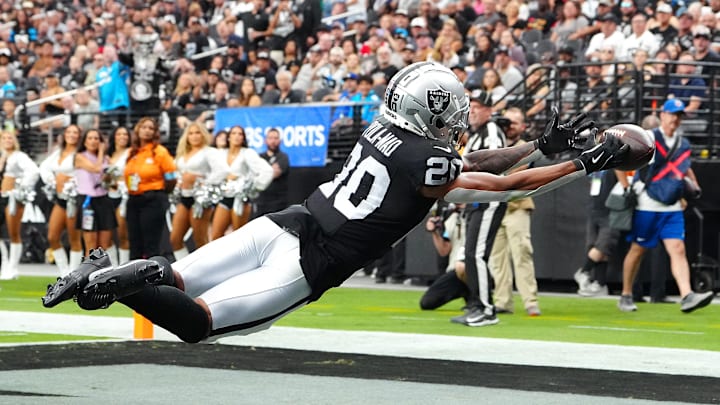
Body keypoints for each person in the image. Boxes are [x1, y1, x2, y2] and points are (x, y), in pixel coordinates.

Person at [43, 62, 627, 344]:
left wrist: (535, 146)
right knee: (200, 323)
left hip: (286, 222)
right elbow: (503, 186)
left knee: (177, 277)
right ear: (432, 110)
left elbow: (476, 165)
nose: (457, 117)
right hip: (310, 260)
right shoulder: (430, 158)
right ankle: (125, 280)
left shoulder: (387, 130)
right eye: (450, 108)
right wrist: (584, 161)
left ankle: (112, 276)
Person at [616, 99, 715, 313]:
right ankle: (625, 293)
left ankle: (687, 295)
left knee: (678, 249)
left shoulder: (683, 143)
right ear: (662, 115)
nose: (676, 119)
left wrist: (693, 184)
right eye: (672, 114)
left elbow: (684, 168)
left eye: (679, 115)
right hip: (647, 204)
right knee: (638, 250)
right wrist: (627, 188)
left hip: (671, 205)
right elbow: (620, 157)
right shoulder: (649, 137)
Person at [450, 89, 507, 327]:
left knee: (477, 255)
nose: (473, 110)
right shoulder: (473, 135)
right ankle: (476, 304)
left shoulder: (491, 131)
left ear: (490, 110)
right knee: (471, 255)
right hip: (477, 200)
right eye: (471, 106)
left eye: (478, 106)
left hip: (489, 199)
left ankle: (485, 308)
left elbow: (493, 163)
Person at [488, 108, 541, 316]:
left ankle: (530, 301)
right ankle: (502, 301)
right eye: (507, 122)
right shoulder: (495, 143)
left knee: (522, 253)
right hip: (495, 206)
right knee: (497, 258)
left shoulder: (524, 147)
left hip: (516, 206)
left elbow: (514, 174)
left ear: (523, 127)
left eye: (515, 123)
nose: (510, 126)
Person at [170, 123, 227, 261]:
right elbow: (176, 172)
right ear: (186, 136)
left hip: (201, 199)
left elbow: (223, 171)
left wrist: (204, 182)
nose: (194, 136)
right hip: (184, 196)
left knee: (200, 240)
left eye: (197, 133)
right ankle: (183, 269)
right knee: (175, 239)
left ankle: (208, 271)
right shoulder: (182, 153)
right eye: (191, 133)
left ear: (203, 134)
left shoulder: (210, 152)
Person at [123, 117, 177, 260]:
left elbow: (171, 178)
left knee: (151, 243)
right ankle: (132, 277)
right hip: (134, 198)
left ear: (155, 132)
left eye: (151, 128)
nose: (147, 131)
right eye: (144, 127)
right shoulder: (132, 152)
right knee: (134, 242)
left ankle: (153, 278)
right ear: (138, 130)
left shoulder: (160, 152)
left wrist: (161, 193)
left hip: (153, 199)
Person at [210, 126, 273, 240]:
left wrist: (250, 186)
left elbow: (267, 171)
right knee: (215, 237)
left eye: (240, 134)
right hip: (225, 198)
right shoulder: (221, 153)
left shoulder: (247, 153)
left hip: (240, 200)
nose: (237, 136)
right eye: (234, 133)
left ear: (243, 138)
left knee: (238, 239)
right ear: (228, 137)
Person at [39, 125, 84, 277]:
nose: (72, 135)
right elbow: (43, 167)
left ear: (79, 136)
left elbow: (87, 174)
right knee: (52, 237)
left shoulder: (81, 153)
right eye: (69, 132)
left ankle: (74, 275)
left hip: (74, 199)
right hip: (60, 199)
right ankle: (64, 273)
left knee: (74, 239)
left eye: (75, 132)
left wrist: (72, 180)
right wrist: (53, 180)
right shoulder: (58, 152)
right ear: (64, 135)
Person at [573, 167, 620, 297]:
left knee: (603, 245)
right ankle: (600, 284)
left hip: (610, 210)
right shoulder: (596, 161)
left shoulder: (616, 161)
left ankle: (583, 271)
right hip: (594, 208)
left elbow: (623, 180)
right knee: (594, 246)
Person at [0, 131, 39, 280]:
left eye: (10, 137)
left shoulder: (19, 156)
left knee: (13, 232)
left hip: (13, 198)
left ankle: (13, 268)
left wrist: (20, 187)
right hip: (1, 196)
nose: (7, 140)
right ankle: (4, 264)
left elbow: (33, 171)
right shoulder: (2, 156)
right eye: (4, 138)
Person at [73, 129, 117, 257]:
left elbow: (113, 179)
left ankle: (102, 273)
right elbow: (96, 169)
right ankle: (88, 274)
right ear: (85, 141)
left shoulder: (106, 159)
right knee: (90, 245)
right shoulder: (80, 156)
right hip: (88, 201)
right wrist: (102, 152)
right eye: (90, 138)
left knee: (103, 245)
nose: (93, 141)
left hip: (103, 199)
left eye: (96, 138)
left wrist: (109, 178)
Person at [252, 128, 290, 218]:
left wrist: (263, 171)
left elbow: (274, 174)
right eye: (270, 138)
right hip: (260, 201)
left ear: (280, 141)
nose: (273, 141)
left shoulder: (283, 157)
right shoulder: (259, 157)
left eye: (276, 138)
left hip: (278, 203)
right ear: (265, 140)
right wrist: (270, 169)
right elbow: (254, 174)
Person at [107, 126, 131, 265]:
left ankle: (124, 267)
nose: (122, 137)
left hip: (123, 196)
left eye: (125, 134)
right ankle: (113, 268)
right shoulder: (107, 154)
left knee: (122, 234)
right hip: (108, 195)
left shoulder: (130, 153)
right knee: (107, 237)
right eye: (119, 134)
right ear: (114, 137)